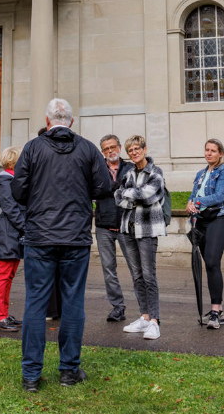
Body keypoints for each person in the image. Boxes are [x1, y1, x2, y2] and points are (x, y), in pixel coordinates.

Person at [11, 98, 112, 393]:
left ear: (47, 121)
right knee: (72, 302)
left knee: (36, 303)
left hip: (42, 236)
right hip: (73, 237)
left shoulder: (33, 148)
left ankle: (32, 374)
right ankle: (67, 369)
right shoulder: (87, 148)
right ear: (71, 121)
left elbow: (18, 190)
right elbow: (103, 187)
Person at [114, 134, 167, 341]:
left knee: (148, 275)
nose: (134, 153)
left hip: (146, 230)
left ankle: (154, 321)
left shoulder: (156, 172)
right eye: (130, 151)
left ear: (144, 150)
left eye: (137, 149)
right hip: (127, 229)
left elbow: (149, 195)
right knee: (136, 276)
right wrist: (131, 194)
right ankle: (144, 316)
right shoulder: (128, 174)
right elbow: (118, 197)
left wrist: (129, 194)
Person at [187, 138, 224, 328]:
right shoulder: (200, 173)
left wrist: (197, 203)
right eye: (207, 150)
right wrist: (190, 203)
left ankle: (215, 311)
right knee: (210, 265)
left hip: (220, 219)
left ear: (220, 153)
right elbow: (193, 194)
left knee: (213, 261)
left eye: (213, 151)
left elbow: (220, 196)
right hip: (202, 221)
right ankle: (218, 310)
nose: (209, 153)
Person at [94, 134, 129, 322]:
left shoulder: (130, 167)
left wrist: (109, 188)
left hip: (126, 225)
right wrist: (117, 187)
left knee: (136, 268)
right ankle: (118, 307)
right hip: (104, 226)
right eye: (106, 149)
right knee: (109, 269)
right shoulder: (97, 170)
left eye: (113, 147)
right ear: (102, 152)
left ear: (120, 147)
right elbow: (95, 190)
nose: (110, 151)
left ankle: (145, 310)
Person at [0, 146, 25, 332]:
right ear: (12, 162)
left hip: (11, 232)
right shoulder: (4, 181)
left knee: (8, 275)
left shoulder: (10, 180)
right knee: (3, 276)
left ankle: (3, 313)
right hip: (7, 232)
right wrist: (25, 227)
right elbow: (11, 209)